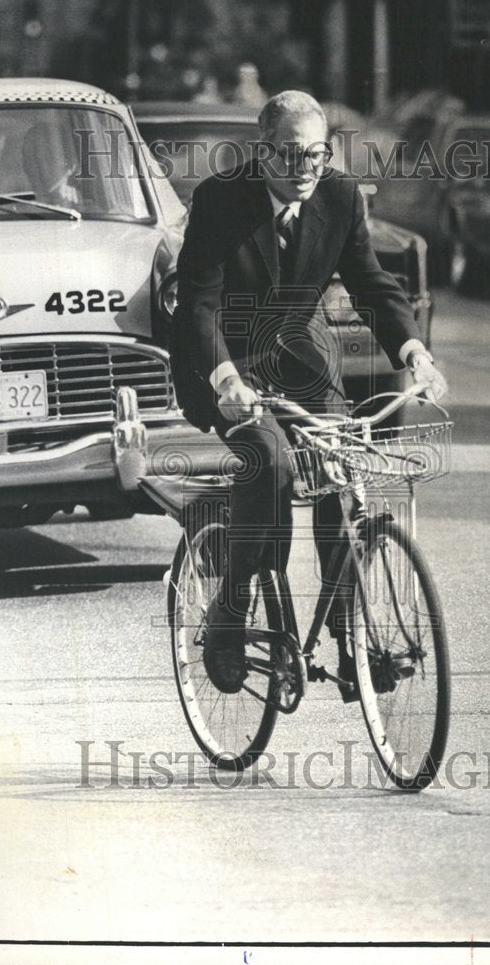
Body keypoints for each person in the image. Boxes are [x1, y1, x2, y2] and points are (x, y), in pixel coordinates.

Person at [176, 90, 448, 696]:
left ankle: (350, 637)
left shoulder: (340, 194)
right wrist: (226, 381)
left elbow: (371, 285)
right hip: (225, 357)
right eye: (292, 155)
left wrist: (414, 353)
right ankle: (232, 607)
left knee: (339, 463)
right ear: (262, 150)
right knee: (269, 461)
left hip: (300, 356)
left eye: (317, 155)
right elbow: (198, 304)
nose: (305, 169)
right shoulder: (219, 200)